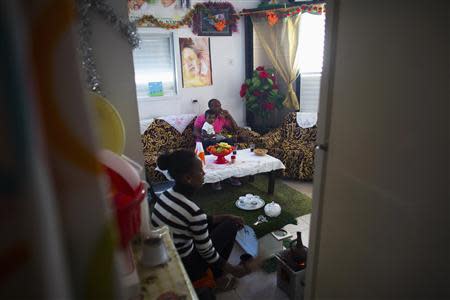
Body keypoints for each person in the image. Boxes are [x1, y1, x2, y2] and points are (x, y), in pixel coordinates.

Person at [151, 150, 254, 292]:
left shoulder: (166, 195)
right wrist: (235, 270)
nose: (204, 174)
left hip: (167, 255)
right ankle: (218, 278)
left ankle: (216, 274)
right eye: (200, 171)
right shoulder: (192, 211)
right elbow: (207, 253)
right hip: (185, 265)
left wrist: (227, 216)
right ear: (188, 178)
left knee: (227, 222)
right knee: (231, 226)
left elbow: (198, 222)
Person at [194, 99, 242, 190]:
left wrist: (229, 116)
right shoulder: (201, 117)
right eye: (215, 106)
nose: (219, 108)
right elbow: (195, 132)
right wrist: (206, 137)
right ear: (210, 107)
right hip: (204, 141)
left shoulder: (221, 118)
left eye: (219, 105)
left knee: (230, 142)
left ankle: (232, 174)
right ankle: (215, 180)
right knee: (214, 144)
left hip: (216, 140)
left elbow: (235, 129)